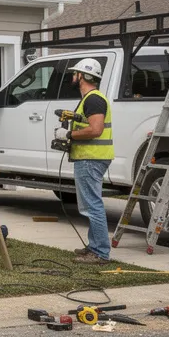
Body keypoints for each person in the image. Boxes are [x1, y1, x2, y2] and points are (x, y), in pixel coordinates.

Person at [54, 58, 114, 265]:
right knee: (89, 204)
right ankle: (94, 246)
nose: (73, 76)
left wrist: (68, 134)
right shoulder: (89, 99)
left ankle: (100, 252)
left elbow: (96, 130)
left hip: (91, 157)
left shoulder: (93, 99)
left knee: (92, 205)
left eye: (75, 73)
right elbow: (89, 123)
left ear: (83, 76)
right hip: (89, 157)